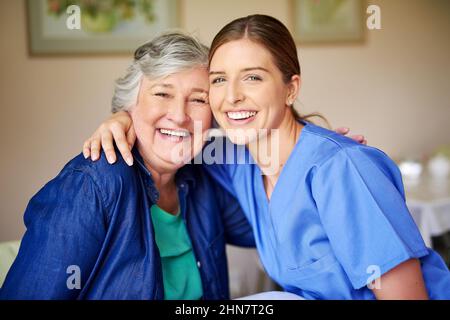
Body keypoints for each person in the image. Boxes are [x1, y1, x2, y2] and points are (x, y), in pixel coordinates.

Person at [85, 15, 450, 300]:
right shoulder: (234, 161)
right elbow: (175, 139)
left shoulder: (339, 170)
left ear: (291, 88)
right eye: (218, 80)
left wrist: (336, 156)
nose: (232, 97)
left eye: (253, 78)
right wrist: (124, 117)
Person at [0, 32, 256, 300]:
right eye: (162, 93)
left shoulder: (201, 177)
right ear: (128, 107)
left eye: (199, 99)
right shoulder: (93, 184)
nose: (180, 115)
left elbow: (276, 230)